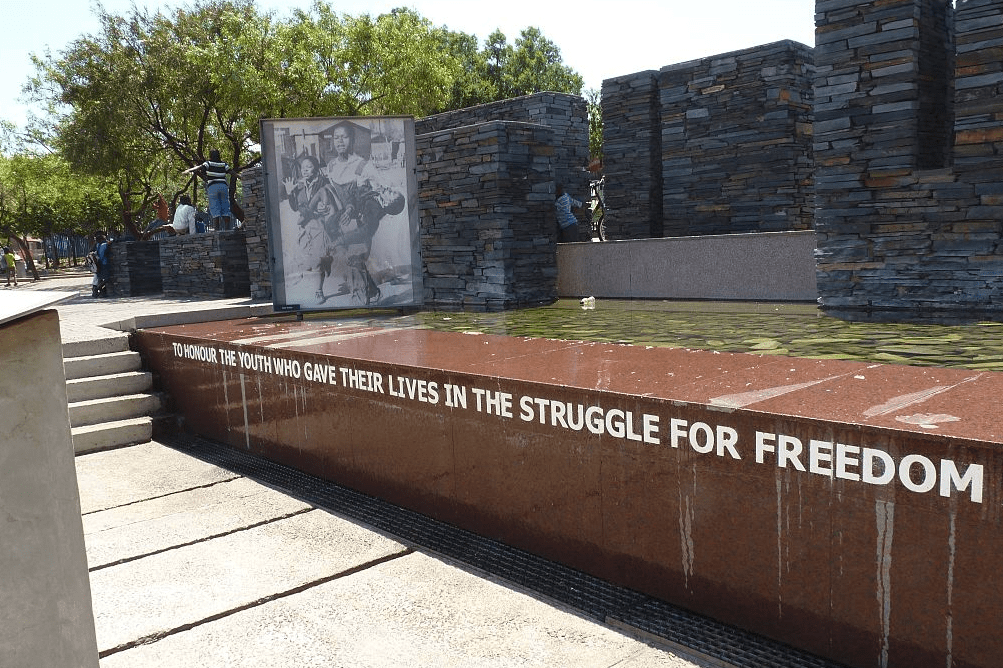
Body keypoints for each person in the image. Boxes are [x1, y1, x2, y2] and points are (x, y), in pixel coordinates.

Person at [183, 149, 233, 231]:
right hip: (223, 186)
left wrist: (206, 178)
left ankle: (217, 229)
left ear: (210, 156)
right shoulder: (223, 164)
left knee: (214, 205)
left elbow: (202, 169)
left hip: (213, 186)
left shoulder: (208, 163)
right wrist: (240, 177)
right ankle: (227, 228)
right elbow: (231, 171)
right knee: (225, 205)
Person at [91, 233, 111, 297]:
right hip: (104, 263)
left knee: (99, 278)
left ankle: (99, 292)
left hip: (98, 263)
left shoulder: (97, 245)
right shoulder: (104, 245)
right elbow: (110, 242)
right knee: (107, 278)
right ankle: (97, 288)